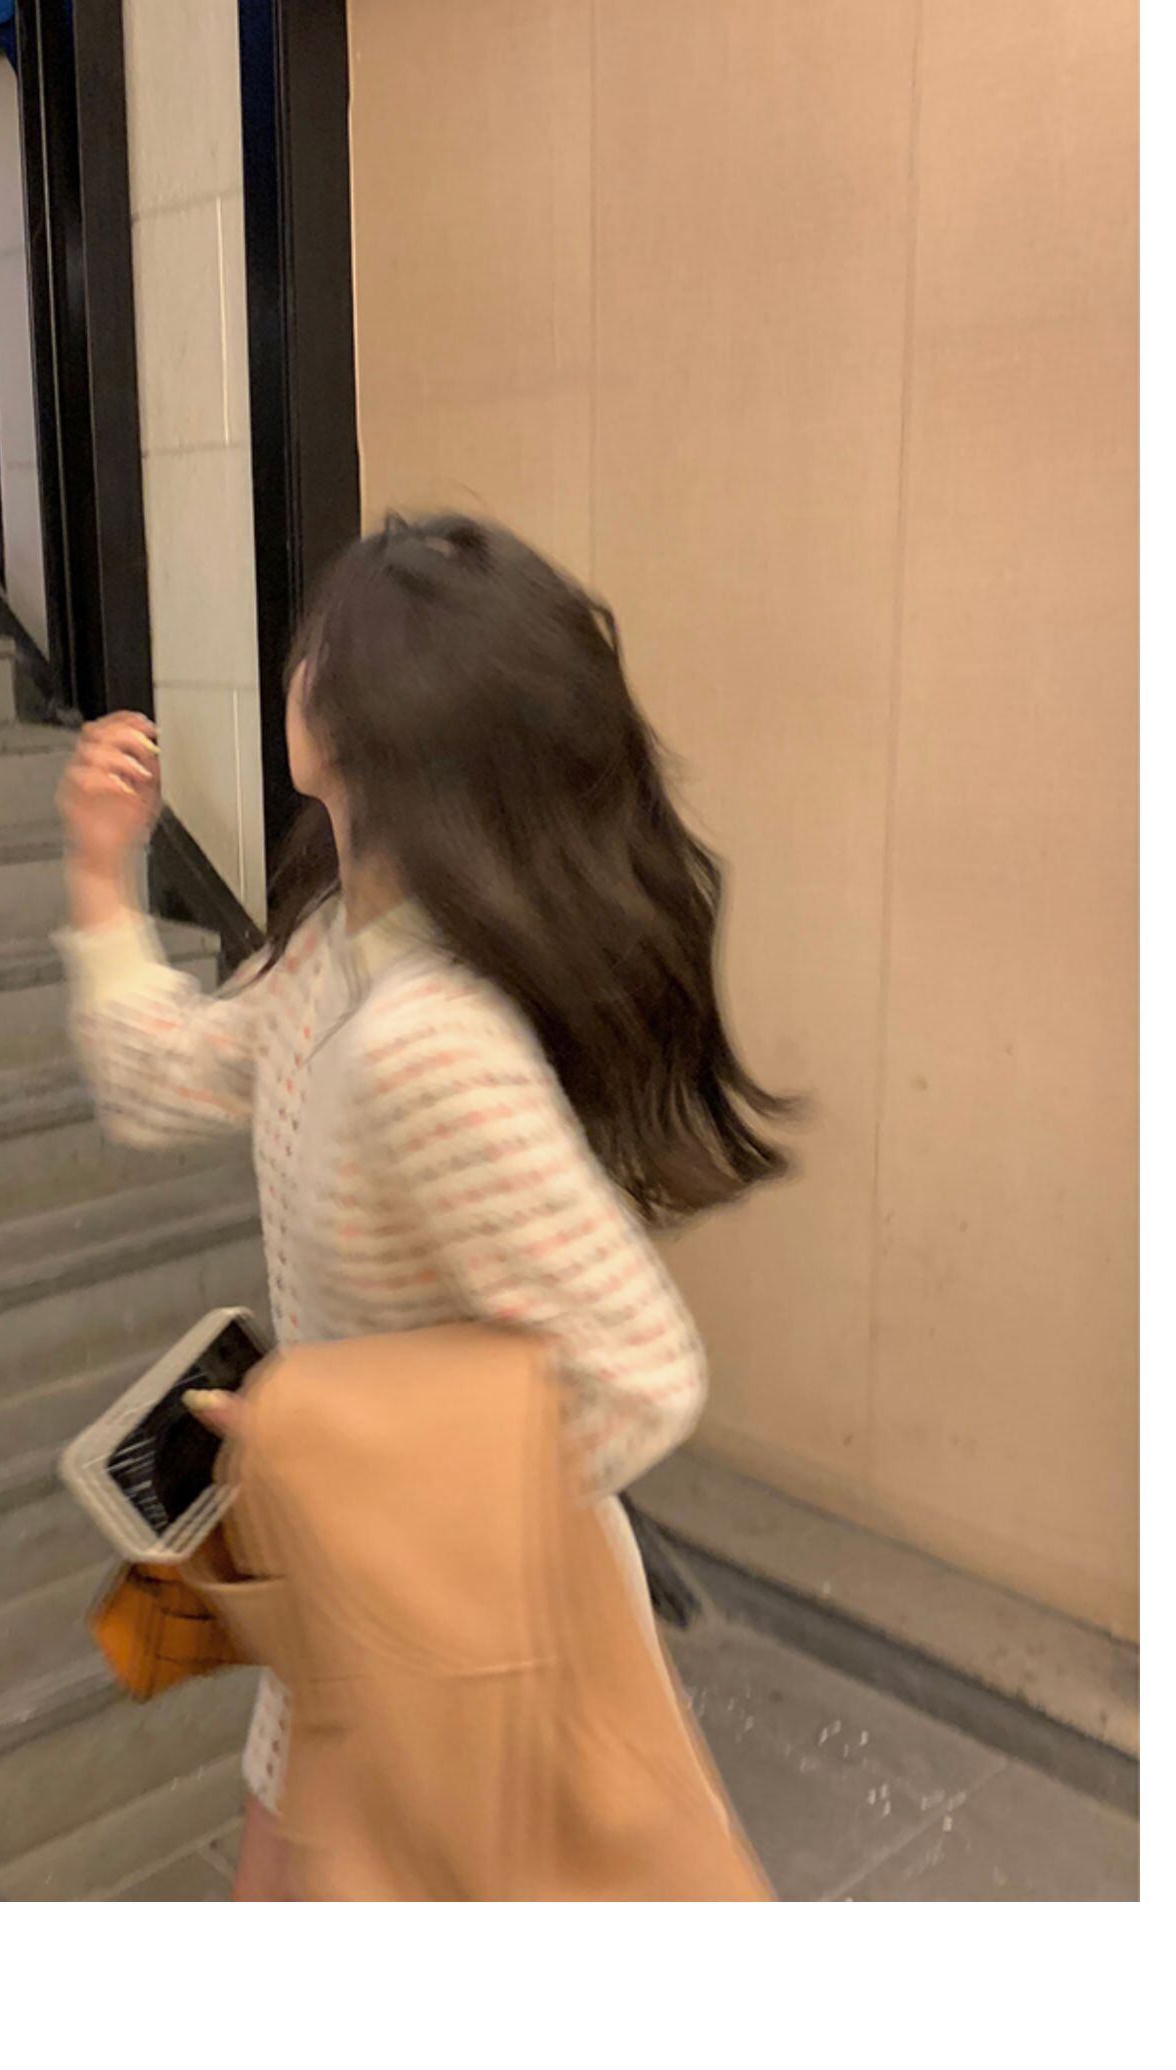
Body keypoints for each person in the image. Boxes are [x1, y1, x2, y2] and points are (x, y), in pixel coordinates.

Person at [56, 512, 794, 1900]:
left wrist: (328, 1445)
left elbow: (642, 1375)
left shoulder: (427, 1039)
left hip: (455, 1637)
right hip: (372, 1614)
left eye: (316, 648)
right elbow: (162, 1078)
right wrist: (102, 871)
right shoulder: (335, 956)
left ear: (362, 727)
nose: (296, 666)